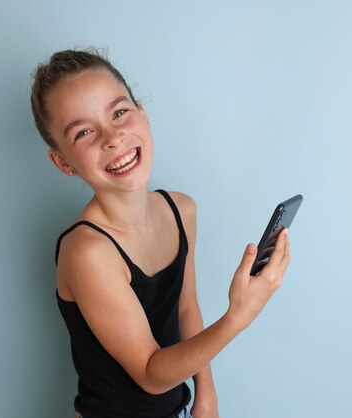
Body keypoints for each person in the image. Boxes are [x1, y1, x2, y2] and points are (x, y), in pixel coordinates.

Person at [30, 48, 290, 418]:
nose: (113, 137)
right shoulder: (86, 251)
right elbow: (151, 374)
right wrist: (238, 317)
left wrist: (206, 395)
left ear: (143, 114)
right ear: (63, 162)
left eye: (119, 112)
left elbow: (186, 309)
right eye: (84, 132)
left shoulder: (181, 210)